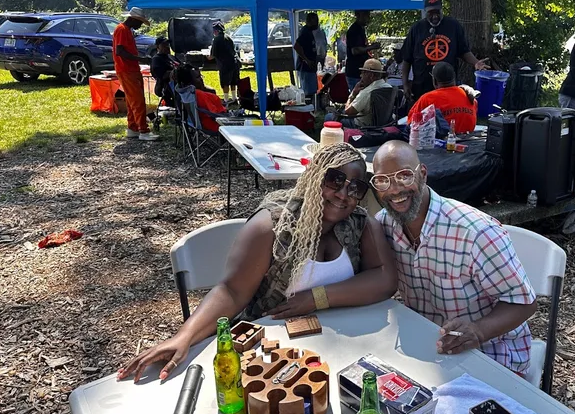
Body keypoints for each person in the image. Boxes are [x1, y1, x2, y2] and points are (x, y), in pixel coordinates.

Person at [118, 142, 398, 382]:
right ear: (314, 176)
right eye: (335, 180)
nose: (343, 194)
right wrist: (185, 337)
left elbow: (385, 279)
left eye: (355, 187)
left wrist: (317, 297)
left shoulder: (360, 224)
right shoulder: (273, 225)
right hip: (272, 354)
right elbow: (231, 291)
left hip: (341, 348)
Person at [371, 141, 537, 374]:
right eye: (382, 180)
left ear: (423, 174)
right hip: (429, 344)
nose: (394, 189)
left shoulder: (476, 232)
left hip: (490, 352)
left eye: (405, 176)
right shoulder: (384, 224)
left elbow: (524, 302)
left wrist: (478, 331)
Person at [402, 0, 488, 103]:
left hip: (448, 87)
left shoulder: (453, 26)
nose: (434, 16)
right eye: (430, 13)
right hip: (422, 87)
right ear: (425, 11)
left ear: (442, 9)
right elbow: (406, 59)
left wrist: (476, 63)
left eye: (437, 12)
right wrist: (405, 84)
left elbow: (464, 51)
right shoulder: (416, 29)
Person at [112, 7, 158, 141]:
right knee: (138, 101)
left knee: (133, 100)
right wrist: (141, 59)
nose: (140, 25)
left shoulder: (126, 30)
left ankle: (132, 128)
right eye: (139, 22)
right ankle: (144, 131)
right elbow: (120, 51)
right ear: (132, 19)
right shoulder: (121, 29)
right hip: (126, 70)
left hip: (131, 69)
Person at [407, 62, 477, 133]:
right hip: (469, 139)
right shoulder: (469, 95)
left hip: (444, 141)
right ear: (454, 77)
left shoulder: (427, 98)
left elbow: (411, 123)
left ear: (434, 81)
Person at [325, 59, 391, 128]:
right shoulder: (389, 87)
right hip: (385, 125)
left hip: (364, 127)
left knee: (328, 117)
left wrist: (353, 93)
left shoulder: (367, 92)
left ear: (371, 75)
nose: (360, 75)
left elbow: (348, 112)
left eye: (363, 73)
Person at [174, 65, 226, 133]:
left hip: (195, 123)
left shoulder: (185, 94)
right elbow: (216, 114)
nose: (201, 79)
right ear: (190, 81)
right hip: (214, 125)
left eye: (201, 76)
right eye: (198, 77)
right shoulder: (200, 95)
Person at [345, 10, 381, 92]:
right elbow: (355, 50)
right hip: (354, 71)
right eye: (365, 15)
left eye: (368, 15)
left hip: (360, 71)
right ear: (358, 15)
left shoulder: (361, 29)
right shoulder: (354, 30)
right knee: (357, 98)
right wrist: (372, 47)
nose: (368, 18)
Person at [208, 22, 239, 104]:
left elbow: (212, 56)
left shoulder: (217, 39)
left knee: (225, 83)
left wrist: (205, 57)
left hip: (225, 65)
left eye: (214, 31)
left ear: (216, 31)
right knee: (233, 82)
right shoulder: (229, 37)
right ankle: (234, 98)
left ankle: (226, 100)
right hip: (234, 63)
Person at [293, 12, 320, 103]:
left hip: (310, 67)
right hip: (305, 67)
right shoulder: (305, 32)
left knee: (312, 90)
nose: (317, 23)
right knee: (308, 92)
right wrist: (306, 59)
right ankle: (308, 109)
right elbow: (296, 46)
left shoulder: (309, 32)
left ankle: (312, 108)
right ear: (309, 21)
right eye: (315, 21)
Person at [150, 37, 176, 103]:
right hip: (167, 87)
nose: (167, 46)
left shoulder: (170, 57)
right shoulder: (156, 59)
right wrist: (176, 72)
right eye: (164, 45)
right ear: (157, 47)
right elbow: (161, 75)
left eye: (168, 44)